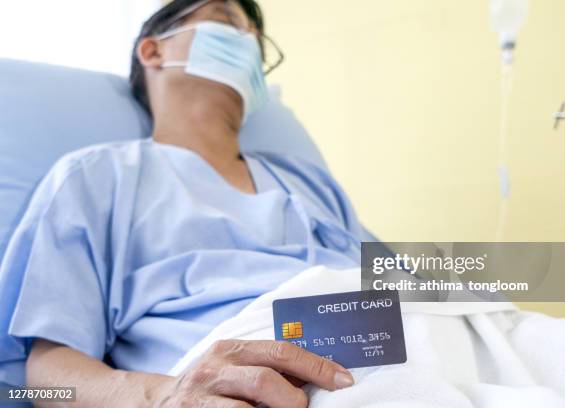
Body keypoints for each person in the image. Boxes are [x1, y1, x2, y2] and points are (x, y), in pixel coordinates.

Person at [0, 0, 366, 406]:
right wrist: (161, 396)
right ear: (154, 50)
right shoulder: (97, 175)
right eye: (229, 23)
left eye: (257, 43)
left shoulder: (309, 181)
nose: (248, 45)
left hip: (395, 345)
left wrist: (447, 283)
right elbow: (42, 380)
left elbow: (408, 283)